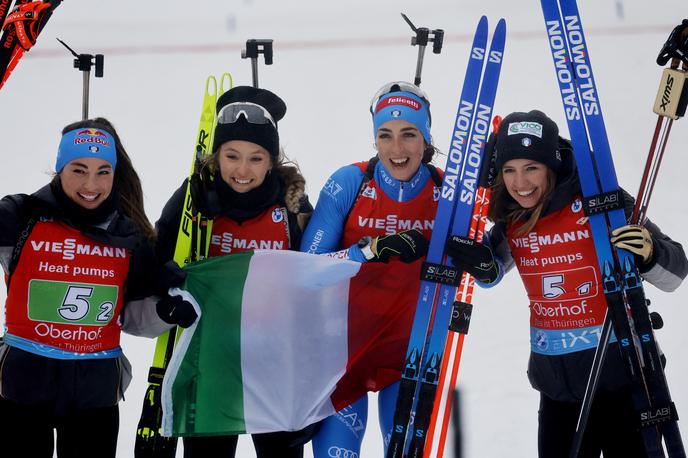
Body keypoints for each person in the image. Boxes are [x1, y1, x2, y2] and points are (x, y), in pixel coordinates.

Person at [446, 110, 688, 457]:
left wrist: (649, 254)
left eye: (532, 168)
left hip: (625, 381)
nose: (520, 183)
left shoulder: (600, 202)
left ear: (552, 166)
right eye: (510, 170)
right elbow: (493, 267)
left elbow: (676, 273)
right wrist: (482, 265)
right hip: (557, 391)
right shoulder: (514, 218)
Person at [0, 118, 192, 458]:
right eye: (78, 169)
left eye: (103, 171)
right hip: (23, 386)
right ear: (59, 169)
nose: (91, 183)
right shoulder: (22, 216)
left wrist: (165, 312)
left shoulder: (128, 237)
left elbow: (131, 317)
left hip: (95, 392)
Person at [301, 81, 464, 456]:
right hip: (342, 357)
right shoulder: (350, 183)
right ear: (374, 139)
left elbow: (484, 262)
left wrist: (483, 259)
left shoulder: (447, 192)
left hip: (411, 355)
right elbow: (306, 273)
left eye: (409, 134)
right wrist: (369, 251)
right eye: (385, 135)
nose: (397, 149)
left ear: (426, 138)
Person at [155, 85, 314, 458]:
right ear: (216, 155)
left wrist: (310, 388)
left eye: (256, 158)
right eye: (232, 156)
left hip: (276, 370)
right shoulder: (193, 199)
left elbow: (317, 287)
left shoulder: (294, 208)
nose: (242, 170)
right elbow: (152, 261)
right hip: (210, 367)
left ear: (272, 161)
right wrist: (170, 293)